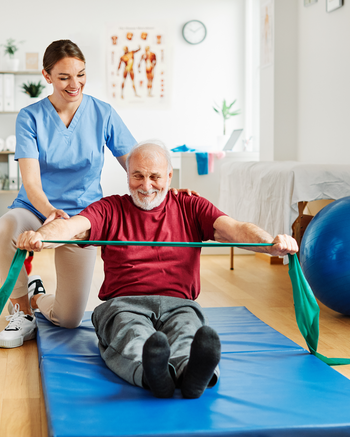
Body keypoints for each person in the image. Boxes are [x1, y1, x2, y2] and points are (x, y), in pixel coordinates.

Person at [16, 141, 298, 399]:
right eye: (137, 175)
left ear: (170, 177)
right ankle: (154, 377)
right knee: (131, 334)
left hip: (180, 304)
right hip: (124, 305)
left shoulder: (191, 205)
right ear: (127, 176)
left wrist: (270, 243)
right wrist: (41, 235)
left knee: (189, 331)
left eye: (155, 177)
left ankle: (191, 374)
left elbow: (236, 229)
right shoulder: (110, 208)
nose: (146, 185)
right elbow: (70, 227)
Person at [0, 39, 137, 349]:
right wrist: (49, 213)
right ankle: (20, 311)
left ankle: (35, 295)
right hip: (36, 207)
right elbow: (32, 183)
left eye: (81, 74)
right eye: (64, 77)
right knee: (6, 226)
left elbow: (134, 163)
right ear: (47, 76)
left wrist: (161, 187)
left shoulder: (103, 113)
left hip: (81, 217)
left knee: (69, 318)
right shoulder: (30, 116)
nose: (75, 84)